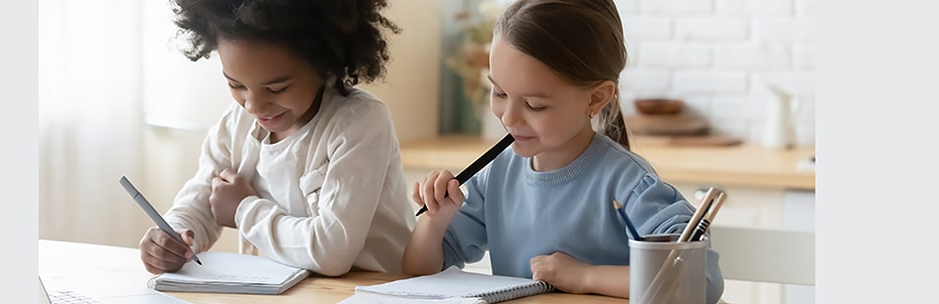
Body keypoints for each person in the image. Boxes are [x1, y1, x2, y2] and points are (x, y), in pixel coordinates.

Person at [401, 0, 724, 302]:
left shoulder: (630, 185)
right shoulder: (495, 175)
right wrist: (434, 220)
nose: (509, 117)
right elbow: (420, 272)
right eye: (498, 92)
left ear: (596, 98)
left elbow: (701, 281)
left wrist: (585, 277)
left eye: (534, 105)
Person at [138, 0, 415, 277]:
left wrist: (242, 209)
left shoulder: (360, 122)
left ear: (324, 66)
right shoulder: (236, 123)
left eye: (276, 88)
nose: (253, 106)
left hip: (372, 289)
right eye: (236, 85)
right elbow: (202, 202)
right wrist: (172, 236)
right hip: (280, 290)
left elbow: (332, 251)